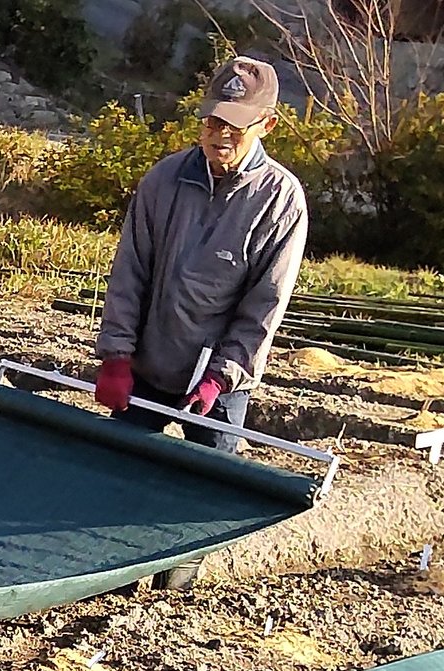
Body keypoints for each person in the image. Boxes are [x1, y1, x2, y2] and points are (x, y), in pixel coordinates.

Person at [93, 57, 308, 456]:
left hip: (217, 385)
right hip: (148, 367)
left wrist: (220, 378)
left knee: (207, 491)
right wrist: (116, 355)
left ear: (267, 124)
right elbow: (129, 272)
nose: (220, 135)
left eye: (235, 125)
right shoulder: (164, 180)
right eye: (212, 121)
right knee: (113, 473)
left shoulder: (280, 200)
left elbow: (265, 305)